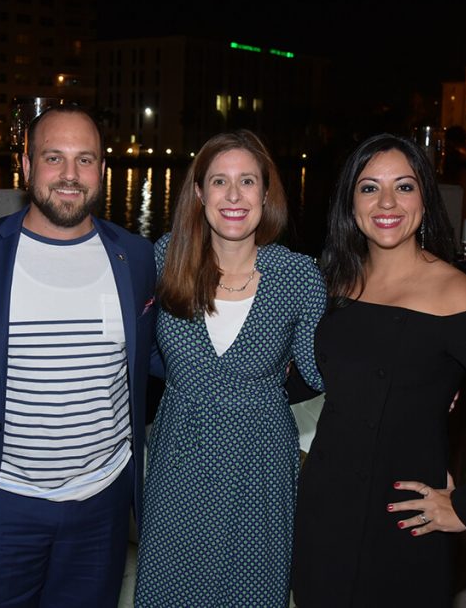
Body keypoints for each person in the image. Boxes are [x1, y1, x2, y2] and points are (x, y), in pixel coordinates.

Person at [291, 133, 466, 606]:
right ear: (350, 202)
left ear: (425, 199)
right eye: (370, 187)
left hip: (400, 517)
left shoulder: (457, 294)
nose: (387, 202)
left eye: (405, 187)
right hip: (323, 508)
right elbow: (307, 378)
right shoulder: (335, 282)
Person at [0, 104, 156, 607]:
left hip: (102, 510)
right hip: (1, 511)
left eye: (85, 160)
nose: (69, 175)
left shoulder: (136, 257)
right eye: (53, 157)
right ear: (25, 165)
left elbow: (159, 352)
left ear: (103, 169)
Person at [133, 130, 327, 607]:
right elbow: (124, 338)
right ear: (199, 194)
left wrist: (421, 380)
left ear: (266, 192)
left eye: (247, 181)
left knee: (252, 592)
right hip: (178, 460)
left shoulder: (299, 275)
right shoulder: (163, 258)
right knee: (169, 592)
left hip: (260, 465)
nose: (234, 196)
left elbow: (325, 370)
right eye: (220, 181)